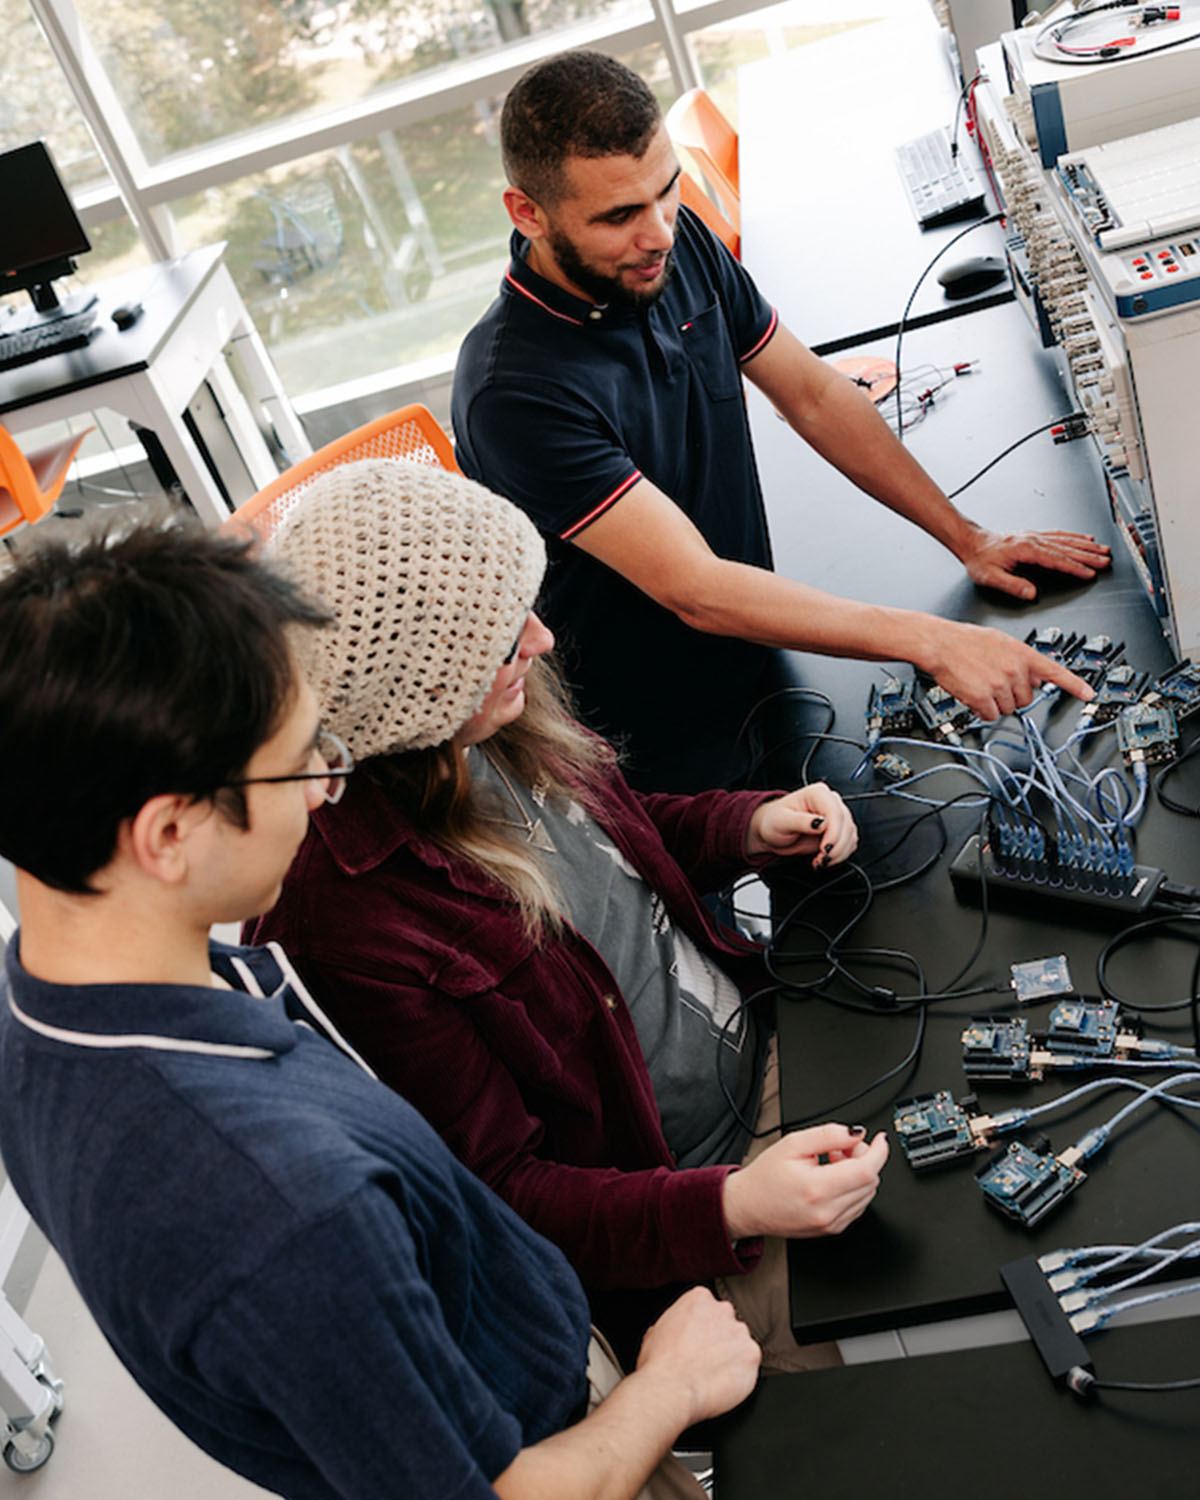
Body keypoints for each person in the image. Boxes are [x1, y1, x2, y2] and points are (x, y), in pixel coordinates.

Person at [0, 515, 763, 1500]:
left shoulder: (51, 998)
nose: (328, 791)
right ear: (169, 834)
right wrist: (669, 1388)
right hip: (572, 1436)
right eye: (300, 763)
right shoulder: (282, 1212)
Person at [249, 456, 889, 1374]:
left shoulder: (491, 721)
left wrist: (746, 826)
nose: (543, 640)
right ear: (418, 684)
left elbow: (614, 845)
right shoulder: (343, 922)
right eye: (501, 637)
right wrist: (737, 1205)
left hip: (771, 1039)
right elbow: (506, 1194)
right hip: (696, 1213)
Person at [451, 49, 1112, 792]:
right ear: (527, 213)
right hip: (652, 753)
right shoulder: (511, 391)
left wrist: (968, 538)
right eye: (619, 216)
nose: (659, 231)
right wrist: (929, 640)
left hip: (763, 659)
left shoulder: (671, 248)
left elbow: (814, 395)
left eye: (667, 191)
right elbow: (696, 588)